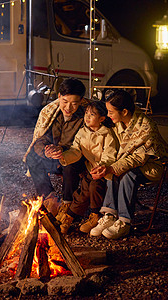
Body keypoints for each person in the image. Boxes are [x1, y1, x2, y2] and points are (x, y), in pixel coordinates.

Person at [89, 90, 168, 239]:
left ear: (125, 111)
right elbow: (115, 150)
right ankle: (109, 215)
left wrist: (112, 167)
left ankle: (124, 222)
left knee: (127, 173)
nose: (108, 115)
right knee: (116, 169)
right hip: (134, 163)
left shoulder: (146, 127)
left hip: (155, 165)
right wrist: (106, 166)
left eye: (111, 112)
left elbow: (137, 159)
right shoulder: (120, 124)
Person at [24, 78, 87, 216]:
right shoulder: (51, 112)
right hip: (54, 156)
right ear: (59, 97)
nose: (68, 107)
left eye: (74, 103)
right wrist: (47, 151)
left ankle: (67, 205)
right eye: (65, 102)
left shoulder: (86, 116)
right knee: (32, 158)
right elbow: (41, 138)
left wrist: (63, 151)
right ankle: (49, 197)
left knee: (70, 164)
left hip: (76, 156)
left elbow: (87, 143)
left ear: (81, 101)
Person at [56, 100, 117, 234]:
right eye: (86, 113)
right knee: (83, 190)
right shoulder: (82, 132)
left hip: (104, 170)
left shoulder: (107, 134)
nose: (87, 117)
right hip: (91, 169)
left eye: (92, 114)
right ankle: (69, 217)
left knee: (94, 187)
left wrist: (102, 167)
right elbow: (76, 150)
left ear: (101, 118)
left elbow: (109, 154)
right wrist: (63, 156)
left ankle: (95, 216)